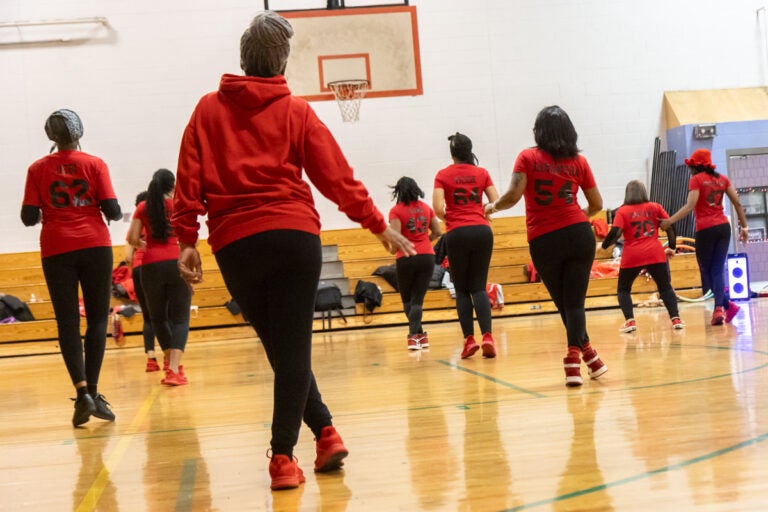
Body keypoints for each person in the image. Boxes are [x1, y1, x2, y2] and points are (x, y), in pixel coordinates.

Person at [170, 11, 415, 490]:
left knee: (284, 349)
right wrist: (376, 224)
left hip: (236, 244)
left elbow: (188, 179)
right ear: (282, 62)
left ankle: (299, 447)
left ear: (243, 58)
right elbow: (336, 175)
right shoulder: (296, 110)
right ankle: (311, 440)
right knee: (291, 349)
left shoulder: (206, 110)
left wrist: (186, 240)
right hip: (294, 237)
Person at [485, 105, 606, 386]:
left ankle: (572, 360)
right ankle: (589, 356)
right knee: (573, 303)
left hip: (544, 238)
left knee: (566, 303)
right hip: (579, 234)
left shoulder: (527, 157)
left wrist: (491, 207)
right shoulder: (579, 161)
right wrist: (575, 217)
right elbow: (597, 204)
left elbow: (512, 196)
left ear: (538, 131)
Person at [21, 109, 121, 426]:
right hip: (95, 245)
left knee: (67, 322)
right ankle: (93, 391)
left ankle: (82, 394)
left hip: (56, 248)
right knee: (96, 320)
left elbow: (27, 217)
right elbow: (113, 210)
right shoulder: (95, 164)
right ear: (79, 133)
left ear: (51, 135)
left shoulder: (37, 169)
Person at [660, 148, 749, 325]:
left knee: (707, 272)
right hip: (723, 228)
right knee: (717, 269)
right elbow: (737, 203)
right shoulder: (722, 179)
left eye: (691, 166)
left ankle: (721, 307)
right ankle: (723, 306)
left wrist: (669, 221)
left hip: (705, 230)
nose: (689, 169)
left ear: (696, 166)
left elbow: (689, 206)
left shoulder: (696, 180)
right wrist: (745, 227)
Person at [433, 132, 499, 359]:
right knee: (479, 287)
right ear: (470, 151)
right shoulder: (482, 173)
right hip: (482, 231)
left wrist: (452, 216)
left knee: (462, 290)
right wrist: (482, 212)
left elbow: (437, 208)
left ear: (452, 153)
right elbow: (495, 201)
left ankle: (469, 340)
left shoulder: (442, 175)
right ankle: (488, 336)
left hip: (457, 233)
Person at [126, 169, 191, 385]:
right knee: (180, 318)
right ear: (172, 185)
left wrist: (148, 246)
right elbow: (189, 236)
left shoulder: (143, 207)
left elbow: (132, 239)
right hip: (176, 262)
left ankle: (171, 368)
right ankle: (174, 368)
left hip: (150, 265)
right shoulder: (178, 204)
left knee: (158, 318)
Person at [601, 180, 683, 332]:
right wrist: (672, 247)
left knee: (623, 289)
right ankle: (676, 319)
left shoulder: (622, 211)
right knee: (665, 287)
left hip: (632, 254)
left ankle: (630, 322)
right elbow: (670, 226)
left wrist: (604, 246)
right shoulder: (655, 207)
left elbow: (615, 232)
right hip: (655, 252)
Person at [388, 177, 443, 350]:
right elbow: (438, 231)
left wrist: (391, 250)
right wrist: (425, 241)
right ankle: (421, 336)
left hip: (405, 256)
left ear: (398, 192)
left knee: (407, 300)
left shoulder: (396, 211)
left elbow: (396, 238)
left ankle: (413, 337)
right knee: (418, 300)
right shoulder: (426, 208)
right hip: (426, 256)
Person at [124, 190, 160, 372]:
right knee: (163, 315)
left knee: (148, 316)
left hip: (139, 269)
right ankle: (170, 360)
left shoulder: (134, 228)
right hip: (157, 267)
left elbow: (127, 257)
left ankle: (151, 359)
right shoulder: (160, 223)